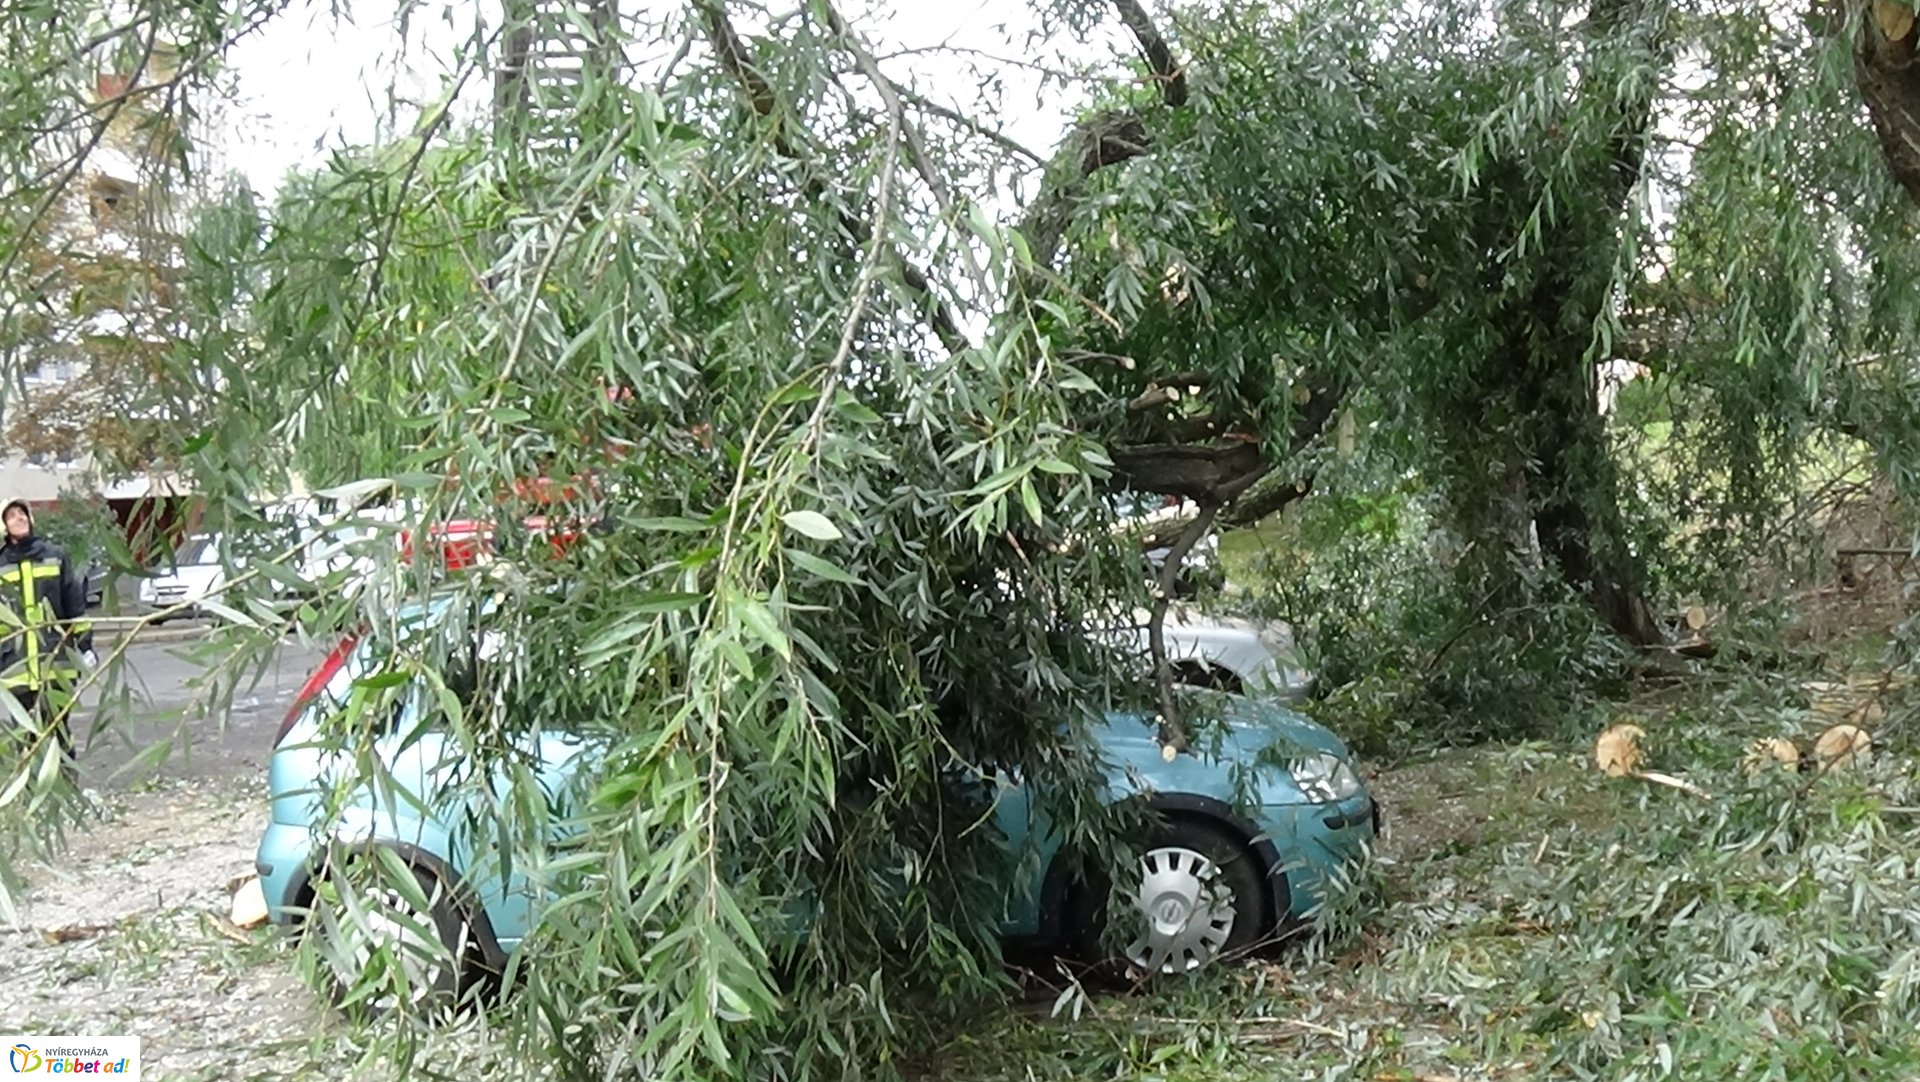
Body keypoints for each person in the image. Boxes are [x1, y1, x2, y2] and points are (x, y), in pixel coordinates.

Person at [0, 500, 94, 769]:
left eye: (22, 514)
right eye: (11, 516)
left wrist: (85, 646)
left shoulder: (55, 557)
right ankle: (33, 796)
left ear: (31, 519)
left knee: (58, 732)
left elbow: (74, 606)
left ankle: (67, 791)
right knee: (26, 735)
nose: (18, 519)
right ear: (4, 525)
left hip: (56, 664)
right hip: (14, 668)